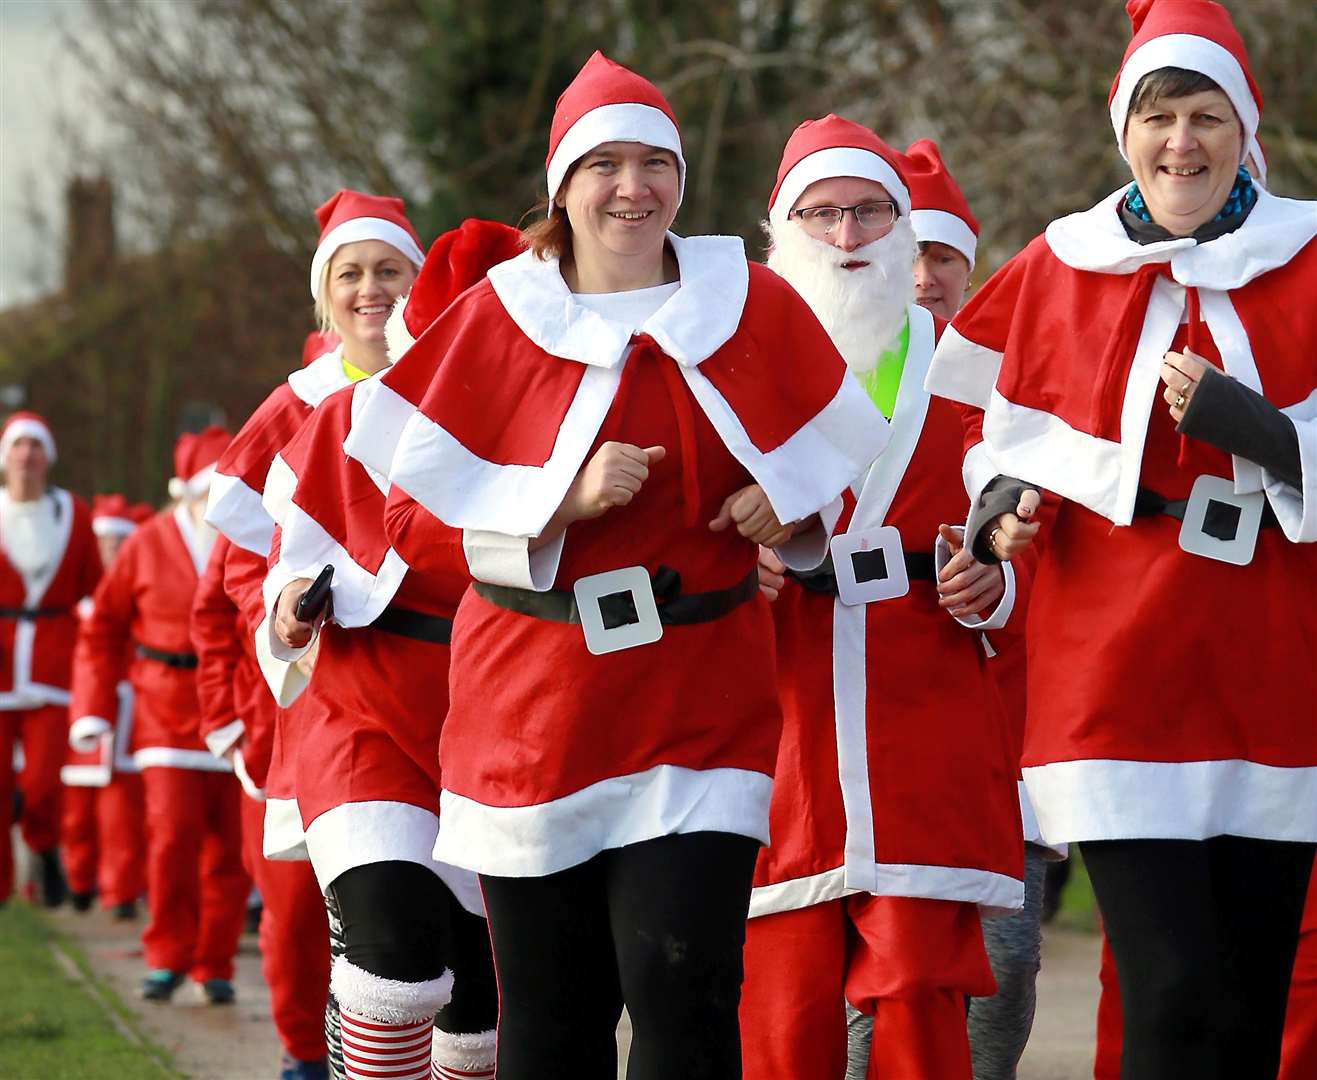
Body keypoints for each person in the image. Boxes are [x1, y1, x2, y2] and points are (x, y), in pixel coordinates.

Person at [344, 52, 888, 1080]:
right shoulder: (499, 317)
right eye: (606, 165)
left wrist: (792, 501)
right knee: (555, 1022)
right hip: (533, 715)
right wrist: (560, 500)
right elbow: (411, 526)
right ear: (563, 183)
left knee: (685, 1000)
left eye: (654, 164)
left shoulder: (753, 304)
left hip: (701, 708)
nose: (633, 188)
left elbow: (831, 475)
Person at [924, 1, 1317, 1076]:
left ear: (1246, 130)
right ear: (1123, 130)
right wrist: (1000, 497)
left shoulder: (1313, 251)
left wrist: (1267, 433)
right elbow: (980, 422)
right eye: (1158, 119)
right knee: (1173, 988)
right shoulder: (1060, 262)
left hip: (1274, 654)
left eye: (1205, 118)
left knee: (1245, 1003)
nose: (1180, 144)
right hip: (1114, 653)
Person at [740, 115, 1023, 1080]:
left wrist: (994, 585)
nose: (849, 237)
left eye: (870, 212)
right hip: (777, 745)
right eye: (822, 216)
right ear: (781, 234)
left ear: (905, 228)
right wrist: (741, 570)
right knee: (782, 1024)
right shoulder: (727, 372)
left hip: (926, 735)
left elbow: (1042, 552)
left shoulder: (976, 379)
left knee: (918, 1006)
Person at [266, 218, 520, 1080]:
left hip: (498, 733)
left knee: (481, 1013)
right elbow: (282, 577)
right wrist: (290, 616)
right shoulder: (342, 422)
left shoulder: (550, 432)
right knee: (392, 960)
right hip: (362, 718)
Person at [909, 136, 1058, 1080]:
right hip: (860, 740)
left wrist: (997, 587)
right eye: (906, 253)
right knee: (861, 1011)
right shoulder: (811, 378)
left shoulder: (1010, 391)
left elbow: (1057, 551)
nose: (922, 277)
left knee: (996, 992)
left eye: (944, 259)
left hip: (1001, 743)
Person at [70, 427, 251, 1004]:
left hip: (236, 710)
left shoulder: (252, 538)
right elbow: (101, 629)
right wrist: (93, 707)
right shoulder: (146, 543)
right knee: (172, 838)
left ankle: (215, 963)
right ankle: (167, 954)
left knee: (232, 850)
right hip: (163, 710)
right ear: (190, 491)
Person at [193, 531, 331, 1080]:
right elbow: (212, 615)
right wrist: (227, 723)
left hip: (385, 720)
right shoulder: (256, 486)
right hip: (273, 737)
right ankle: (304, 1050)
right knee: (293, 915)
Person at [0, 410, 102, 907]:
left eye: (35, 447)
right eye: (18, 447)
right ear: (5, 457)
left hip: (52, 663)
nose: (26, 457)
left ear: (48, 458)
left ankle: (43, 846)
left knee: (42, 783)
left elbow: (94, 587)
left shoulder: (72, 514)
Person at [60, 494, 152, 918]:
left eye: (119, 543)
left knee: (122, 814)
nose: (111, 550)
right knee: (75, 812)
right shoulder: (74, 600)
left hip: (130, 711)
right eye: (104, 542)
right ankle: (78, 881)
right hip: (79, 715)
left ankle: (119, 893)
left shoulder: (140, 599)